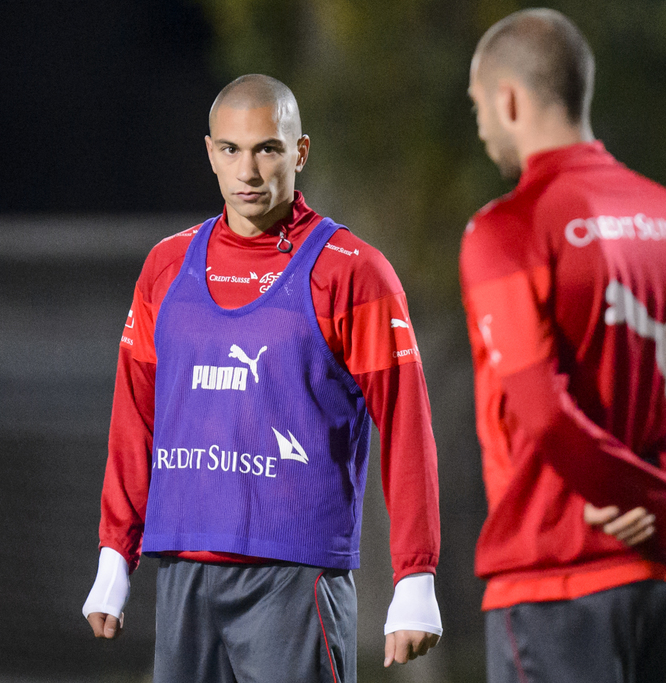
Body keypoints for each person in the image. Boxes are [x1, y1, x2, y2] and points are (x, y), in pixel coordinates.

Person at [82, 74, 442, 683]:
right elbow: (134, 416)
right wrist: (115, 555)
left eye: (267, 149)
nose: (248, 170)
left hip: (294, 577)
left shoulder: (353, 272)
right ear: (210, 154)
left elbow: (408, 427)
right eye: (231, 149)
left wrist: (415, 576)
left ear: (299, 152)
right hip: (184, 572)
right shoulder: (166, 267)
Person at [460, 9, 666, 683]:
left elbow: (543, 412)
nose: (479, 126)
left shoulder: (506, 228)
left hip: (559, 577)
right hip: (665, 581)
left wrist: (665, 507)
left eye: (478, 105)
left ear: (508, 99)